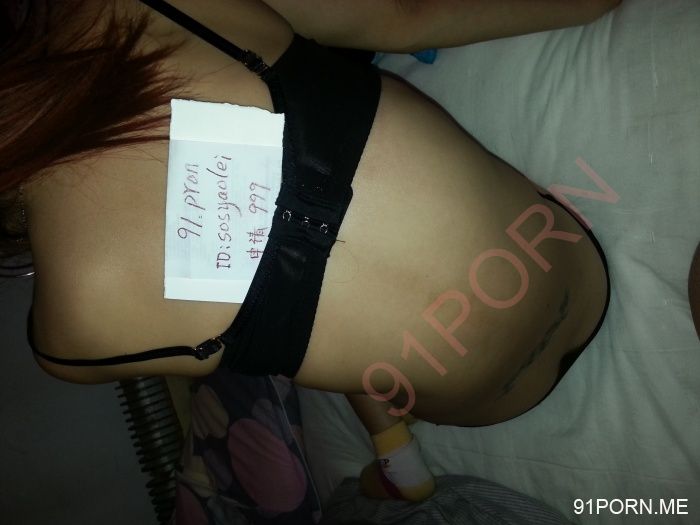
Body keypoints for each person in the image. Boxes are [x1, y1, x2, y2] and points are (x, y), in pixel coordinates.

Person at [1, 0, 622, 502]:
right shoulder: (136, 10)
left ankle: (396, 451)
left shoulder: (63, 345)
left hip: (496, 399)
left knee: (289, 324)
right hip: (561, 263)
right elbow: (404, 18)